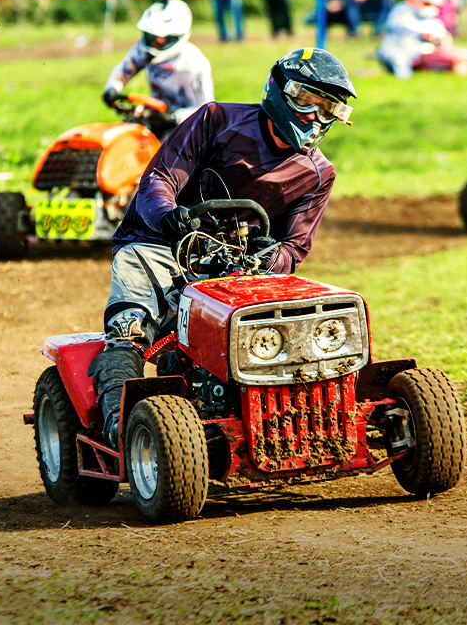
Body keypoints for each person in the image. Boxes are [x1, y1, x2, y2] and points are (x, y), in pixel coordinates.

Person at [89, 47, 356, 448]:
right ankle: (118, 426)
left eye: (328, 106)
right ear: (278, 90)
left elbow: (294, 246)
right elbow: (158, 179)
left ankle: (282, 417)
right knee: (129, 328)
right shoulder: (217, 120)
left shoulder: (318, 174)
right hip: (158, 244)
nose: (316, 115)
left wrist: (272, 258)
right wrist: (169, 216)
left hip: (239, 265)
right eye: (307, 99)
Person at [102, 0, 214, 138]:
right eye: (151, 37)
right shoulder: (144, 50)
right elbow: (124, 69)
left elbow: (206, 112)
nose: (155, 43)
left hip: (186, 130)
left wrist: (173, 118)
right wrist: (112, 88)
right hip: (154, 118)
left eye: (162, 39)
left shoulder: (193, 64)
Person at [375, 0, 451, 80]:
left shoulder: (430, 14)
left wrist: (439, 37)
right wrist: (423, 34)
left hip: (422, 52)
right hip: (397, 50)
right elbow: (405, 26)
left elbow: (440, 31)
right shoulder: (401, 10)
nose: (429, 6)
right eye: (426, 3)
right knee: (400, 58)